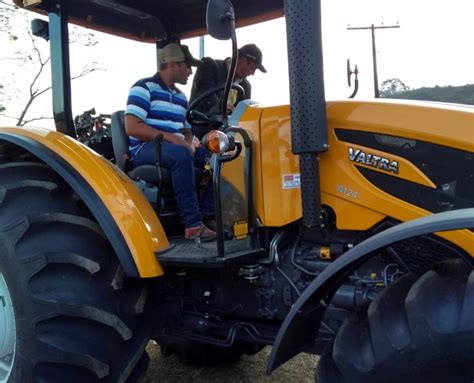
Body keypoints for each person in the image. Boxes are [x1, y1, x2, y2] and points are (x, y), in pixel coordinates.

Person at [124, 43, 216, 242]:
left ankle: (209, 214)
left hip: (173, 148)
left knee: (221, 159)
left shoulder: (181, 97)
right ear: (173, 64)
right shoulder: (143, 88)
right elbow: (132, 127)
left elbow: (186, 130)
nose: (191, 72)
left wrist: (190, 142)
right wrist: (175, 139)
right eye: (187, 66)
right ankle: (192, 225)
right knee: (180, 154)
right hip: (146, 149)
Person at [189, 44, 267, 138]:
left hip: (228, 136)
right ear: (243, 61)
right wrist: (226, 109)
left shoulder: (246, 86)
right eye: (253, 68)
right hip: (200, 132)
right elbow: (206, 98)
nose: (252, 73)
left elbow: (244, 114)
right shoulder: (210, 66)